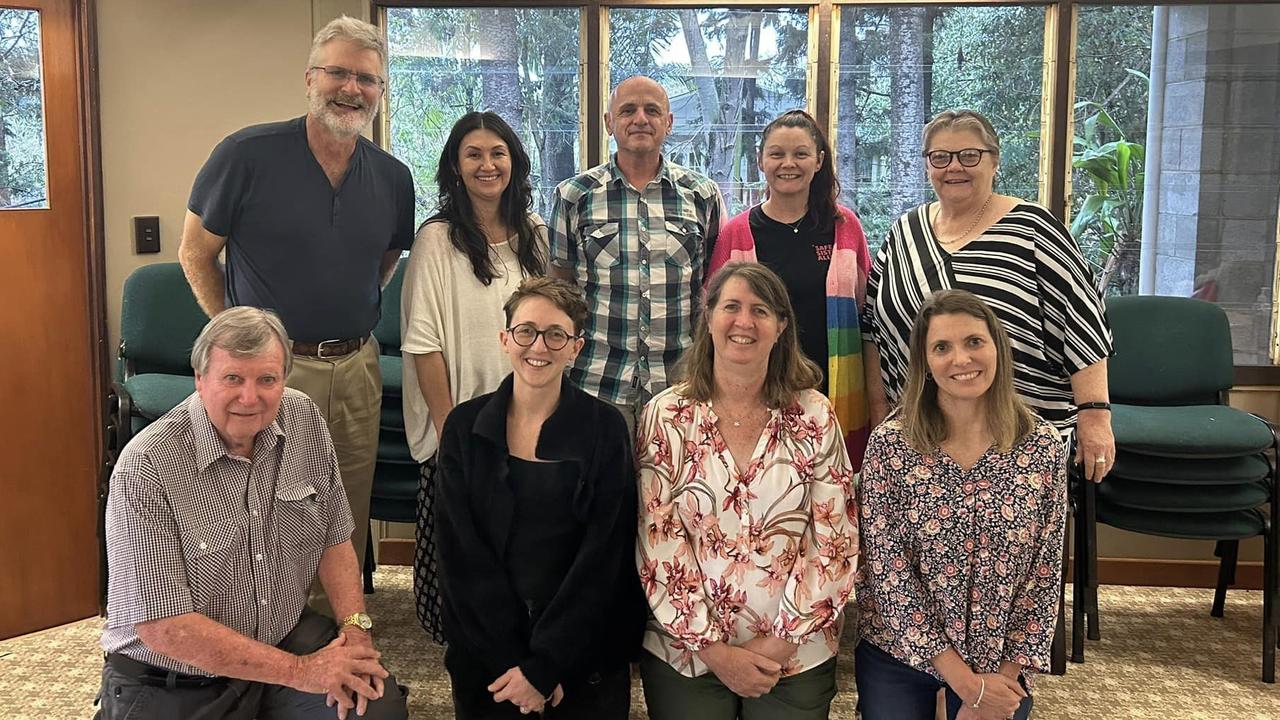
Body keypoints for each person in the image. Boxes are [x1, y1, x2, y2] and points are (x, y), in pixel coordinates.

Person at [178, 16, 415, 577]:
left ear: (381, 90)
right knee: (259, 506)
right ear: (310, 78)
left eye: (367, 78)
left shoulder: (392, 177)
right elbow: (195, 252)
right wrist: (240, 344)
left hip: (357, 366)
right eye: (338, 73)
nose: (351, 89)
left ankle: (339, 629)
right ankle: (263, 636)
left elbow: (382, 263)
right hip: (269, 373)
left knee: (342, 506)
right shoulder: (246, 155)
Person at [98, 307, 407, 720]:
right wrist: (301, 672)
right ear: (200, 380)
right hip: (176, 676)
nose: (250, 397)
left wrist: (355, 630)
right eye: (232, 378)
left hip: (283, 637)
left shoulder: (303, 419)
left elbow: (335, 537)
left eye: (267, 379)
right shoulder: (147, 466)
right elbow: (165, 628)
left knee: (376, 709)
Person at [636, 262, 859, 719]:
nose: (744, 322)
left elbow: (834, 543)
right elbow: (657, 542)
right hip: (687, 651)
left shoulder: (815, 415)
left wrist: (779, 643)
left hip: (794, 651)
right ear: (709, 317)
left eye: (760, 310)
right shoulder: (666, 415)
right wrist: (715, 651)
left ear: (781, 326)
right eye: (731, 307)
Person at [433, 277, 645, 719]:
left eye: (556, 335)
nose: (539, 346)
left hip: (583, 654)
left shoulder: (605, 429)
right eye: (526, 331)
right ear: (505, 339)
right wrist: (515, 665)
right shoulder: (462, 427)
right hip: (491, 659)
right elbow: (461, 557)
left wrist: (547, 666)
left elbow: (604, 558)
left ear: (576, 349)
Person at [865, 108, 1114, 482]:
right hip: (922, 432)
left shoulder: (1033, 228)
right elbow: (873, 327)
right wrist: (879, 411)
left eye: (969, 155)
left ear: (994, 160)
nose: (954, 168)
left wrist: (1095, 416)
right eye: (940, 157)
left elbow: (1083, 323)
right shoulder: (905, 230)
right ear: (927, 165)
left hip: (1021, 435)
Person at [854, 289, 1067, 720]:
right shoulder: (891, 446)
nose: (961, 359)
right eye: (942, 347)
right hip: (902, 653)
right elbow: (885, 572)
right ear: (926, 363)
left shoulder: (1042, 446)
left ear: (998, 349)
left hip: (1000, 659)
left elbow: (1044, 577)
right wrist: (967, 687)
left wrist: (997, 683)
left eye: (974, 342)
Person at [400, 111, 548, 644]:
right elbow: (423, 343)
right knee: (464, 562)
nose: (488, 164)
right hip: (460, 421)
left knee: (521, 549)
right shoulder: (436, 240)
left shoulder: (535, 234)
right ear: (455, 169)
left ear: (514, 162)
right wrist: (450, 433)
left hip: (525, 418)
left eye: (498, 153)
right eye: (474, 155)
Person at [548, 75, 725, 433]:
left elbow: (712, 287)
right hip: (597, 382)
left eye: (652, 110)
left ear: (669, 122)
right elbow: (560, 290)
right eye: (627, 110)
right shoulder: (574, 195)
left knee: (678, 489)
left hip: (681, 384)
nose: (640, 119)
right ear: (609, 122)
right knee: (602, 490)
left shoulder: (701, 195)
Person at [708, 109, 875, 469]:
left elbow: (868, 314)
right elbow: (714, 319)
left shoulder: (846, 228)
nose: (788, 163)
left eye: (800, 153)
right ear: (760, 161)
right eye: (777, 154)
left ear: (818, 161)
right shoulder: (738, 234)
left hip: (835, 393)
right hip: (756, 394)